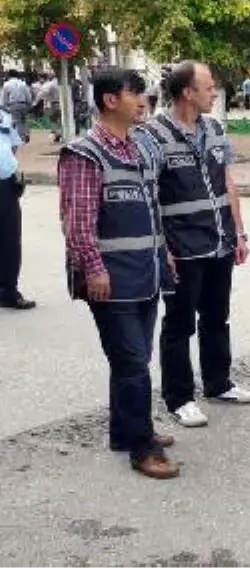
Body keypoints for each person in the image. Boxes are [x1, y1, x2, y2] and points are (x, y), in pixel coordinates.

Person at [58, 68, 181, 479]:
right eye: (135, 94)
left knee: (134, 359)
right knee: (132, 363)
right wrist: (93, 269)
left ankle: (124, 431)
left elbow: (152, 213)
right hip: (109, 280)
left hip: (145, 274)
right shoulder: (85, 153)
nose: (143, 101)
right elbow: (77, 223)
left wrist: (164, 256)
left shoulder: (141, 148)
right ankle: (142, 448)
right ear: (111, 100)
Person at [134, 62, 250, 428]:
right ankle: (179, 397)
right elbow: (149, 196)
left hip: (218, 240)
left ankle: (219, 382)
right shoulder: (152, 135)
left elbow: (228, 183)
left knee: (217, 317)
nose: (215, 92)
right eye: (209, 87)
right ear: (187, 92)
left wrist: (238, 231)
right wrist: (163, 248)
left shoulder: (214, 128)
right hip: (181, 247)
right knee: (179, 324)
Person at [0, 106, 34, 311]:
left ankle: (8, 291)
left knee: (10, 240)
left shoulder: (4, 114)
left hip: (4, 184)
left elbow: (12, 146)